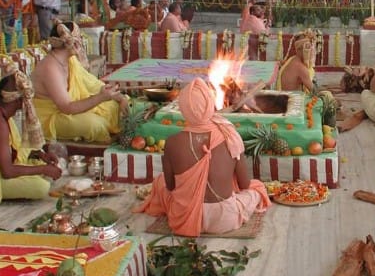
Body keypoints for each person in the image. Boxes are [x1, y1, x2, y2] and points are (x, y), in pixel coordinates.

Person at [134, 77, 271, 237]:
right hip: (225, 219)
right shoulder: (230, 135)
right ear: (210, 105)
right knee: (256, 189)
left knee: (160, 182)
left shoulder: (172, 142)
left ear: (184, 108)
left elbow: (171, 187)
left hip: (186, 217)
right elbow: (245, 184)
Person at [31, 21, 127, 143]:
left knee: (114, 107)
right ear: (70, 42)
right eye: (79, 37)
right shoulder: (50, 68)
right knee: (95, 125)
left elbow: (93, 84)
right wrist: (101, 98)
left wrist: (120, 97)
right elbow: (66, 108)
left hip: (68, 109)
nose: (81, 42)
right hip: (51, 117)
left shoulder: (70, 60)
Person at [0, 69, 62, 208]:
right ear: (20, 100)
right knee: (40, 186)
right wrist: (43, 169)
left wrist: (38, 155)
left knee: (38, 167)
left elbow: (12, 150)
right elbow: (7, 171)